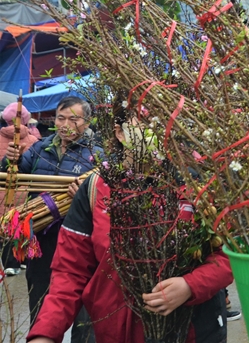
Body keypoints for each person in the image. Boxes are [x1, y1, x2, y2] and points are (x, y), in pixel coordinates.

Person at [27, 106, 233, 343]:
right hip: (114, 329)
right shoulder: (97, 188)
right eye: (144, 123)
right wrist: (45, 333)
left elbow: (230, 254)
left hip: (193, 330)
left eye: (162, 124)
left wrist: (190, 285)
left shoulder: (196, 186)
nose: (154, 132)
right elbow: (70, 271)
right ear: (120, 132)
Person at [2, 96, 102, 339]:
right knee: (39, 303)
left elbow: (106, 197)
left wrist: (87, 195)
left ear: (87, 122)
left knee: (83, 313)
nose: (65, 125)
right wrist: (10, 161)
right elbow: (12, 176)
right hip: (41, 238)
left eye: (73, 119)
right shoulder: (40, 148)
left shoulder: (97, 155)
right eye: (60, 118)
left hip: (79, 241)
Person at [0, 102, 39, 277]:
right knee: (22, 223)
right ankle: (22, 260)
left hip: (3, 190)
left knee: (6, 224)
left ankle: (10, 263)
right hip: (25, 191)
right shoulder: (33, 140)